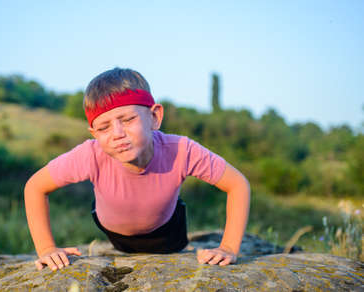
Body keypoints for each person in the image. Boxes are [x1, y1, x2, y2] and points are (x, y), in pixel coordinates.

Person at [24, 67, 250, 271]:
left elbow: (237, 184)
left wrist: (229, 247)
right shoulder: (90, 154)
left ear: (154, 117)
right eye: (104, 127)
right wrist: (46, 249)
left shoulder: (181, 150)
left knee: (174, 218)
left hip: (167, 233)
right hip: (115, 234)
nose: (117, 133)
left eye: (128, 119)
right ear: (94, 134)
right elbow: (35, 187)